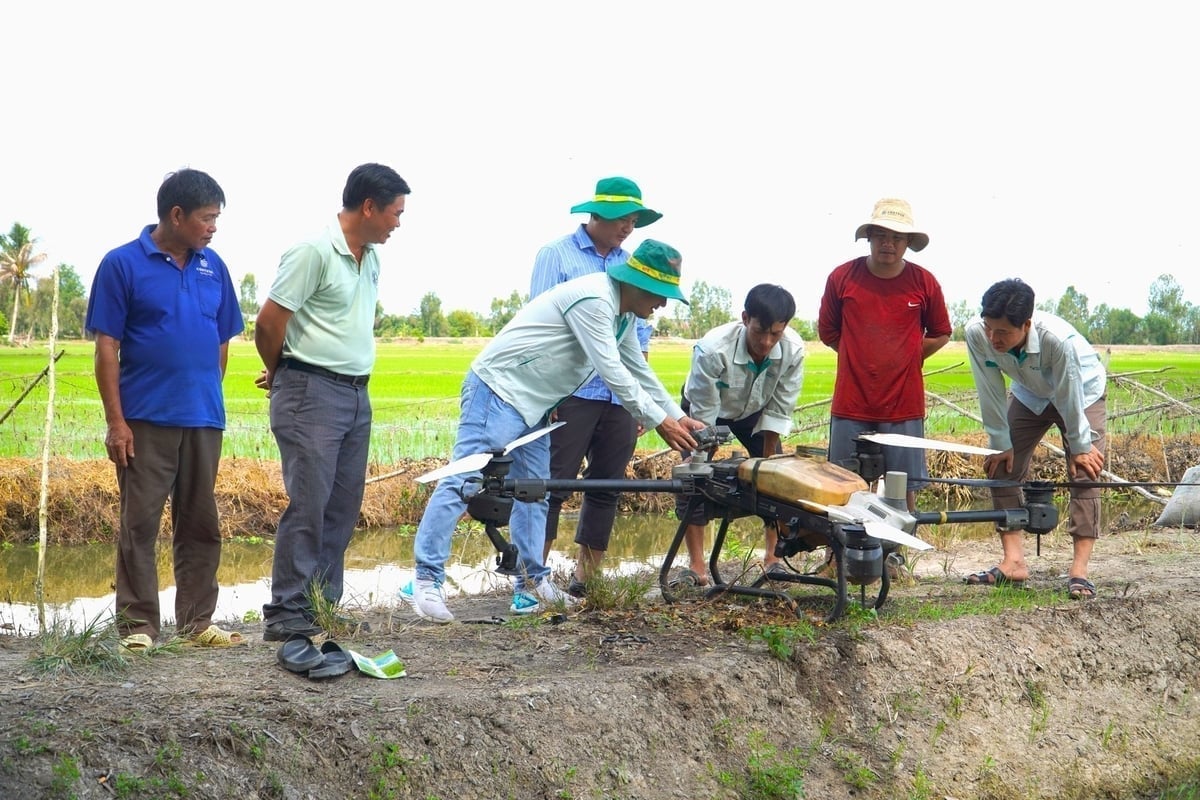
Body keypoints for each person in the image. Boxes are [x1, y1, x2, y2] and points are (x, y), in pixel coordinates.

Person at [408, 239, 706, 623]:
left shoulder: (624, 316)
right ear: (637, 284)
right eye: (660, 293)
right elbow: (612, 371)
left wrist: (676, 415)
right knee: (464, 480)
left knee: (534, 491)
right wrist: (658, 422)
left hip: (536, 404)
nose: (663, 304)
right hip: (499, 391)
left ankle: (531, 585)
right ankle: (426, 579)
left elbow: (638, 370)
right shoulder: (595, 300)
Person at [85, 168, 244, 650]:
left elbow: (221, 340)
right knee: (139, 525)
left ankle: (197, 624)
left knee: (201, 523)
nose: (213, 228)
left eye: (216, 219)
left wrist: (202, 393)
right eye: (206, 218)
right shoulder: (121, 264)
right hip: (144, 420)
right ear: (176, 215)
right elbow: (106, 348)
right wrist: (116, 422)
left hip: (203, 418)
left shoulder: (213, 266)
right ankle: (138, 627)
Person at [254, 163, 411, 641]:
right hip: (312, 392)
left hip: (356, 393)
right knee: (309, 503)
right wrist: (282, 372)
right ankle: (287, 612)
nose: (399, 223)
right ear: (369, 207)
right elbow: (269, 322)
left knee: (342, 506)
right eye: (396, 213)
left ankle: (320, 605)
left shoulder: (371, 257)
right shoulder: (314, 251)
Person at [530, 176, 661, 597]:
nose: (627, 228)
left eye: (634, 221)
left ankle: (585, 580)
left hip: (618, 397)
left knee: (607, 485)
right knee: (552, 484)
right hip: (573, 392)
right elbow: (541, 329)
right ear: (597, 214)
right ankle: (533, 578)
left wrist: (640, 404)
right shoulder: (557, 255)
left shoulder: (631, 263)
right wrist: (547, 395)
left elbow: (637, 336)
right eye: (622, 219)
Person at [964, 279, 1107, 599]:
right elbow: (988, 388)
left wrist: (1080, 446)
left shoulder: (1056, 340)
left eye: (1003, 332)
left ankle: (1079, 571)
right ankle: (1014, 562)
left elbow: (1069, 391)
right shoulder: (977, 333)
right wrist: (1000, 442)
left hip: (1082, 391)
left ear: (1026, 325)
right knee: (1001, 465)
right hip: (1029, 393)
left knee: (1085, 471)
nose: (993, 338)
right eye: (990, 328)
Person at [818, 198, 952, 513]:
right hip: (851, 401)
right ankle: (841, 546)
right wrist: (858, 354)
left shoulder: (924, 282)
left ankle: (900, 545)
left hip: (903, 404)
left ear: (907, 243)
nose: (888, 243)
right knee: (843, 488)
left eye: (896, 237)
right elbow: (828, 331)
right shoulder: (842, 277)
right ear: (869, 237)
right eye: (880, 235)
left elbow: (941, 332)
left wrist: (909, 357)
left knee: (902, 490)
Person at [675, 284, 806, 585]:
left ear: (785, 327)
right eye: (759, 331)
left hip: (756, 410)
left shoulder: (794, 350)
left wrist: (767, 464)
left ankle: (773, 559)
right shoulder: (712, 349)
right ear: (745, 318)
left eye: (775, 334)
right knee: (693, 477)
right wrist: (702, 457)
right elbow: (704, 415)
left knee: (774, 477)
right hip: (706, 408)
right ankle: (697, 567)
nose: (766, 342)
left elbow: (780, 407)